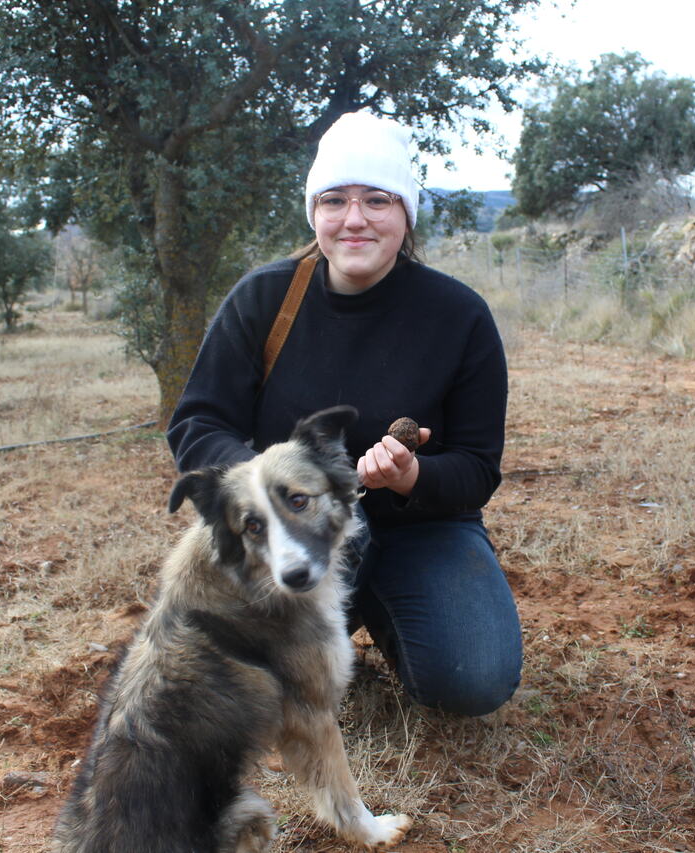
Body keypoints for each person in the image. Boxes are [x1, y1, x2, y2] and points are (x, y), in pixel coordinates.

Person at [167, 111, 522, 717]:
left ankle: (390, 608)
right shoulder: (264, 299)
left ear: (405, 213)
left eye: (377, 200)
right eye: (335, 200)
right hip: (290, 530)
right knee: (240, 689)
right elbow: (199, 422)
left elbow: (477, 467)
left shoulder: (458, 315)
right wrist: (270, 486)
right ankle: (319, 621)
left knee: (473, 679)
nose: (354, 218)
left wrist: (412, 476)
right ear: (315, 213)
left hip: (421, 530)